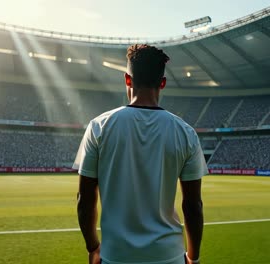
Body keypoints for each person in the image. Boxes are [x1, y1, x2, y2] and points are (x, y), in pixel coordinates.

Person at [73, 44, 208, 264]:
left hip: (115, 256)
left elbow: (85, 200)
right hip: (169, 257)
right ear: (162, 83)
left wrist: (93, 247)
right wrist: (194, 257)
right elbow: (193, 206)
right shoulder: (186, 133)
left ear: (127, 79)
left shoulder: (99, 127)